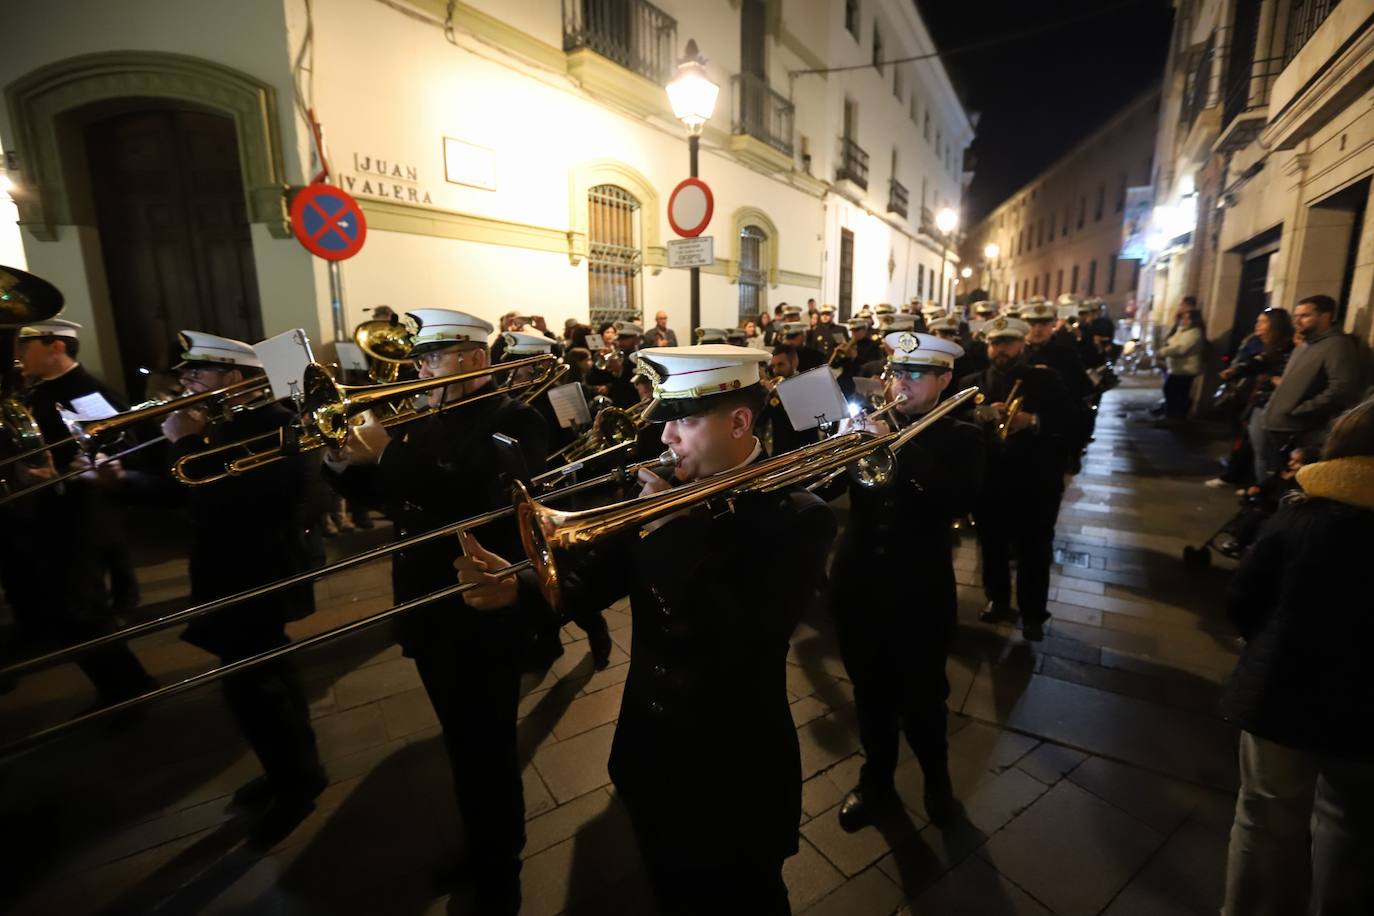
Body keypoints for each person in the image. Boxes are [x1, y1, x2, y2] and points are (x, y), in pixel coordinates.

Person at [458, 344, 837, 914]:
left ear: (738, 421)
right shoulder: (665, 490)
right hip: (648, 752)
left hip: (733, 771)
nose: (665, 437)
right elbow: (594, 581)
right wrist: (519, 588)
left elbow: (747, 638)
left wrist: (671, 532)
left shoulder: (797, 514)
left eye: (683, 419)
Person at [322, 309, 550, 912]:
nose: (417, 370)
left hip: (479, 614)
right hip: (428, 606)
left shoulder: (516, 421)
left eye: (430, 359)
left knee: (488, 751)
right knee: (462, 743)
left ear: (474, 360)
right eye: (419, 360)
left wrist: (389, 453)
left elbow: (480, 499)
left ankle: (500, 865)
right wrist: (340, 458)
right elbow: (386, 489)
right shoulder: (425, 419)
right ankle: (482, 846)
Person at [159, 331, 325, 845]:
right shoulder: (226, 424)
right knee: (262, 679)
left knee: (257, 686)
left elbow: (245, 502)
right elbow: (193, 495)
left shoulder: (274, 428)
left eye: (196, 374)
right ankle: (292, 772)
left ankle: (296, 784)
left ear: (233, 379)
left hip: (256, 573)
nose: (186, 384)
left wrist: (185, 442)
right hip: (230, 569)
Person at [823, 331, 984, 831]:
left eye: (916, 373)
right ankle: (877, 779)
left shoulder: (964, 437)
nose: (901, 381)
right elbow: (826, 489)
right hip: (858, 582)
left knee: (922, 697)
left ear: (945, 379)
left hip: (919, 590)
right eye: (896, 370)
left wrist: (895, 447)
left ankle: (937, 781)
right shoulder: (867, 424)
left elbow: (954, 502)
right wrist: (836, 445)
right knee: (868, 691)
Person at [1220, 399, 1374, 915]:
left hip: (1282, 690)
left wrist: (1263, 642)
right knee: (1351, 827)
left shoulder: (1301, 515)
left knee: (1266, 818)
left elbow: (1244, 597)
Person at [5, 318, 156, 707]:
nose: (19, 354)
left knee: (81, 611)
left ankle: (128, 689)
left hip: (79, 517)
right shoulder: (37, 391)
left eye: (27, 345)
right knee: (68, 609)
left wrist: (61, 473)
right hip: (49, 514)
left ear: (57, 347)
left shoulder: (86, 393)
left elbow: (124, 447)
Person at [959, 317, 1075, 641]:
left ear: (1021, 344)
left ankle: (1033, 613)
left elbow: (1070, 420)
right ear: (987, 346)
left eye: (1008, 343)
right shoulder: (973, 382)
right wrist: (976, 415)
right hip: (990, 481)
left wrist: (1033, 420)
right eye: (996, 343)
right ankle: (997, 599)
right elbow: (954, 419)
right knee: (992, 546)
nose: (1001, 350)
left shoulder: (1045, 379)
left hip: (1035, 482)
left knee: (1034, 549)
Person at [1249, 294, 1361, 481]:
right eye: (1296, 316)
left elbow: (1342, 388)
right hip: (1278, 424)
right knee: (1269, 475)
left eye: (1305, 316)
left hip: (1296, 429)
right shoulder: (1305, 344)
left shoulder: (1337, 345)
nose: (1297, 321)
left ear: (1325, 317)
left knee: (1286, 481)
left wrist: (1301, 409)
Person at [1208, 307, 1296, 489]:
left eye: (1263, 322)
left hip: (1268, 404)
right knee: (1250, 444)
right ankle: (1249, 483)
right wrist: (1235, 371)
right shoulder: (1265, 345)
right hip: (1255, 400)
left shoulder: (1286, 347)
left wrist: (1270, 379)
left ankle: (1263, 491)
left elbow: (1278, 373)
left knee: (1265, 451)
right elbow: (1256, 362)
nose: (1258, 325)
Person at [1155, 307, 1204, 420]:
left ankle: (1176, 417)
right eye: (1183, 318)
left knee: (1177, 393)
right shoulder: (1182, 330)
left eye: (1188, 318)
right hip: (1177, 368)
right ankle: (1171, 415)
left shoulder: (1194, 333)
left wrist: (1163, 352)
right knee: (1171, 391)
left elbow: (1181, 349)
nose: (1184, 321)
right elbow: (1172, 342)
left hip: (1186, 369)